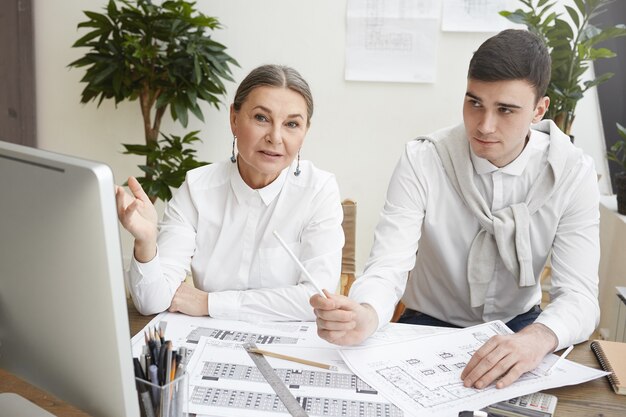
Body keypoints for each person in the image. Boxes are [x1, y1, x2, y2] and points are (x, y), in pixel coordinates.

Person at [311, 29, 600, 389]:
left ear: (539, 110)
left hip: (521, 328)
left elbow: (580, 296)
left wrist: (538, 338)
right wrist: (367, 314)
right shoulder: (423, 159)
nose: (484, 125)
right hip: (426, 324)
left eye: (505, 110)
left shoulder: (573, 172)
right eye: (474, 102)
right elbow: (388, 266)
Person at [116, 64, 344, 321]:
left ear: (305, 133)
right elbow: (151, 302)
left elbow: (316, 301)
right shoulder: (197, 187)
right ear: (234, 119)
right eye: (261, 118)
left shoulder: (319, 191)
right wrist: (146, 242)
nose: (276, 137)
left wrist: (209, 303)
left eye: (292, 124)